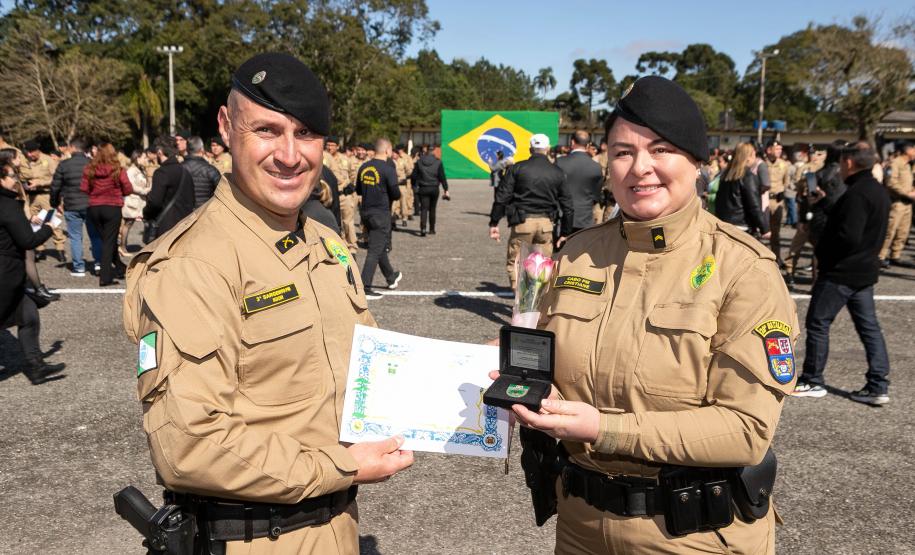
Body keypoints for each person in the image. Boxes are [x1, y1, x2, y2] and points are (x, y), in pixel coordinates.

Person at [123, 53, 413, 554]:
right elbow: (188, 447)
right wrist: (343, 466)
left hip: (336, 525)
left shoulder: (325, 242)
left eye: (305, 134)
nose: (289, 154)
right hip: (254, 538)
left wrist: (474, 391)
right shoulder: (194, 263)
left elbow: (370, 362)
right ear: (226, 126)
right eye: (267, 130)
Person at [494, 76, 797, 554]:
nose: (641, 168)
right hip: (581, 527)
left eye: (661, 150)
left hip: (691, 535)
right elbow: (547, 362)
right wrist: (517, 379)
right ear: (606, 165)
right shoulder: (575, 254)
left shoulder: (743, 268)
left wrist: (603, 427)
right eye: (622, 152)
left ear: (697, 162)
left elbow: (746, 430)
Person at [791, 142, 891, 405]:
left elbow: (848, 235)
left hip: (841, 271)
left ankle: (813, 379)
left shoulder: (857, 193)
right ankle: (878, 384)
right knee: (869, 328)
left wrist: (824, 252)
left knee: (818, 323)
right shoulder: (877, 191)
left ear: (849, 163)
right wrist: (825, 204)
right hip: (865, 270)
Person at [0, 163, 65, 383]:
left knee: (29, 316)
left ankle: (36, 367)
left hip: (10, 276)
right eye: (11, 175)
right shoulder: (7, 204)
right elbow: (28, 240)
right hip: (5, 275)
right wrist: (50, 225)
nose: (16, 179)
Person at [488, 134, 572, 290]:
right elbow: (567, 204)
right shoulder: (557, 172)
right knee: (543, 264)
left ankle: (519, 296)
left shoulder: (516, 168)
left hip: (522, 222)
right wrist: (565, 232)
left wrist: (494, 222)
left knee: (516, 262)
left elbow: (501, 197)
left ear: (530, 149)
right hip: (546, 224)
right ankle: (538, 300)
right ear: (547, 149)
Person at [0, 148, 57, 303]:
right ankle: (38, 289)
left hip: (21, 219)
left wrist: (30, 217)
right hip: (17, 221)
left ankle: (34, 288)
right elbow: (18, 204)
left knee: (27, 256)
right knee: (28, 254)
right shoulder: (10, 180)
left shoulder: (15, 176)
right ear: (9, 160)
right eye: (17, 157)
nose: (21, 159)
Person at [80, 143, 133, 286]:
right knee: (109, 241)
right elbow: (128, 189)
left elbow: (84, 188)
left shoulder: (89, 169)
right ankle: (105, 277)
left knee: (106, 240)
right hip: (112, 207)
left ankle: (120, 267)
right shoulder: (117, 169)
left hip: (94, 208)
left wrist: (95, 191)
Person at [356, 137, 403, 298]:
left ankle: (391, 277)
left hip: (366, 212)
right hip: (380, 214)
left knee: (379, 245)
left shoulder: (364, 167)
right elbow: (396, 194)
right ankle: (365, 287)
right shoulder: (388, 169)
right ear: (388, 150)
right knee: (374, 251)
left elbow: (359, 190)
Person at [50, 138, 102, 277]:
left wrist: (54, 203)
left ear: (72, 147)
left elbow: (55, 187)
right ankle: (98, 264)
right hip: (91, 205)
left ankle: (79, 267)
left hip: (71, 205)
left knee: (75, 237)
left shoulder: (64, 165)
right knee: (96, 236)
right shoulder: (92, 164)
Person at [20, 140, 66, 262]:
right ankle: (40, 249)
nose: (29, 155)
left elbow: (57, 178)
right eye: (27, 152)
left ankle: (60, 248)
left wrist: (40, 182)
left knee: (52, 221)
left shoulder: (49, 160)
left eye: (31, 152)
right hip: (31, 197)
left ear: (37, 150)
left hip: (46, 196)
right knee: (35, 223)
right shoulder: (25, 161)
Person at [143, 135, 195, 240]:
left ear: (160, 151)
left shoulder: (161, 172)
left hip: (165, 227)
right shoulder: (185, 172)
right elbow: (192, 200)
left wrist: (146, 213)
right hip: (185, 227)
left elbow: (155, 202)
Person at [715, 142, 769, 237]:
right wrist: (764, 228)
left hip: (724, 224)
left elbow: (719, 201)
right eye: (754, 155)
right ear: (748, 157)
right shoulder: (747, 176)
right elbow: (754, 205)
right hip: (742, 226)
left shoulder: (726, 175)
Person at [556, 130, 603, 234]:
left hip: (562, 216)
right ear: (587, 145)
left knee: (562, 249)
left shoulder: (560, 162)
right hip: (585, 217)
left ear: (572, 142)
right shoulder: (596, 167)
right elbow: (596, 196)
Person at [878, 141, 914, 267]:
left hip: (907, 203)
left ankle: (895, 255)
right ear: (908, 150)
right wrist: (907, 193)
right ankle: (880, 256)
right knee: (890, 230)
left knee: (903, 231)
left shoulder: (908, 165)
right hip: (897, 202)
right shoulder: (894, 163)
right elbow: (891, 183)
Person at [410, 144, 450, 237]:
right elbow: (442, 177)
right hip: (434, 188)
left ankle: (423, 229)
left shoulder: (419, 161)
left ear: (426, 150)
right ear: (434, 150)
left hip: (423, 188)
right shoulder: (438, 162)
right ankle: (432, 229)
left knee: (424, 209)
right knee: (432, 209)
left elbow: (414, 176)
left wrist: (414, 185)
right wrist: (446, 189)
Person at [120, 150, 152, 257]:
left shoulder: (140, 170)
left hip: (138, 202)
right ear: (137, 158)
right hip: (132, 202)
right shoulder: (131, 171)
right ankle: (122, 246)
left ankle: (123, 246)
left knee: (129, 224)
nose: (146, 159)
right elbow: (131, 186)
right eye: (144, 157)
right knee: (127, 224)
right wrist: (145, 191)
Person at [764, 140, 791, 265]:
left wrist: (782, 192)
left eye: (781, 149)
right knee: (763, 231)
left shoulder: (784, 164)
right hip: (764, 201)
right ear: (769, 150)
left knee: (776, 232)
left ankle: (776, 257)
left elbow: (786, 182)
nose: (779, 151)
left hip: (777, 201)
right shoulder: (763, 163)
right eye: (777, 149)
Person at [182, 136, 222, 208]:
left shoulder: (177, 169)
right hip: (204, 213)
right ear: (202, 149)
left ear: (187, 149)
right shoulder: (211, 170)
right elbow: (221, 193)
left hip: (183, 213)